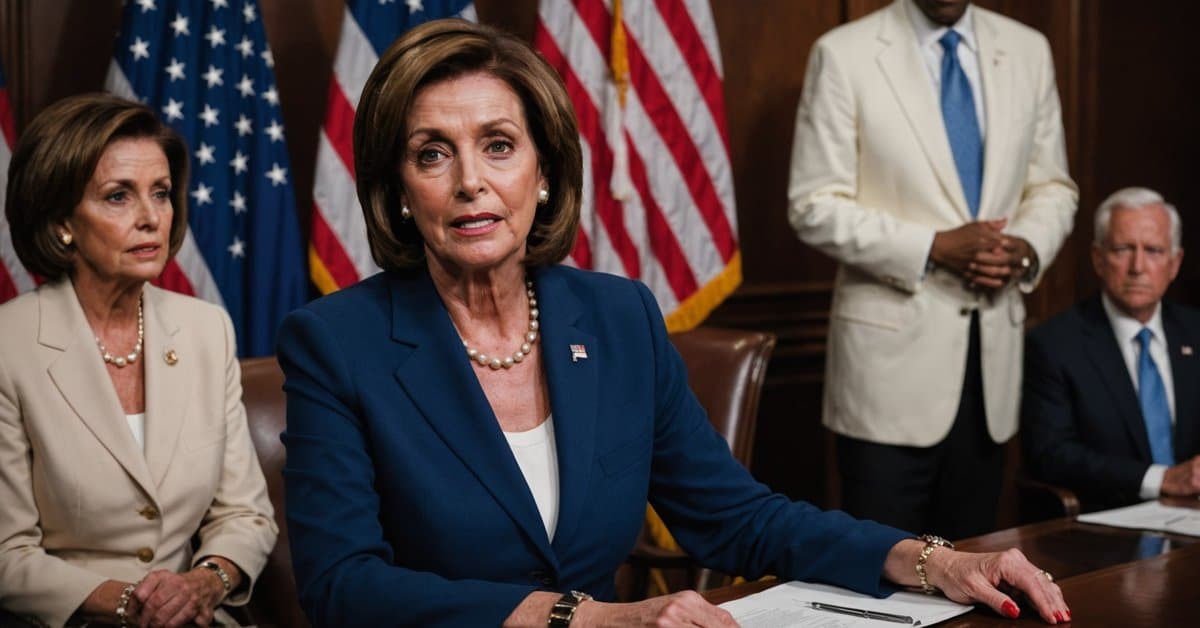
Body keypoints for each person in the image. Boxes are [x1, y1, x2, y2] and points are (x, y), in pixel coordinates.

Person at [276, 19, 1070, 627]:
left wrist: (933, 561)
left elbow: (739, 517)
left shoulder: (617, 316)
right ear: (399, 190)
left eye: (499, 145)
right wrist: (584, 618)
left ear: (545, 173)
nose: (472, 182)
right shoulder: (337, 343)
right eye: (433, 154)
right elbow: (343, 585)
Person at [787, 0, 1078, 539]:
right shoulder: (844, 53)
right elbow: (813, 203)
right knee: (881, 577)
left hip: (992, 368)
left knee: (972, 570)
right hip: (887, 378)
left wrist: (1025, 247)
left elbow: (1053, 186)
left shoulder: (1027, 49)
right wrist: (931, 247)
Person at [0, 94, 277, 627]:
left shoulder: (206, 330)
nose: (152, 218)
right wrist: (133, 603)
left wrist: (203, 582)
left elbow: (245, 514)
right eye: (118, 196)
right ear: (62, 220)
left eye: (162, 193)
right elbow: (8, 555)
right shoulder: (10, 346)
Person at [1023, 188, 1200, 510]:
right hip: (1107, 521)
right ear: (1098, 259)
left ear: (1174, 264)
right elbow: (1051, 454)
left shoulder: (1195, 331)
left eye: (1154, 250)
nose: (1138, 266)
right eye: (1123, 249)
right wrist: (1161, 478)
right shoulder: (1055, 343)